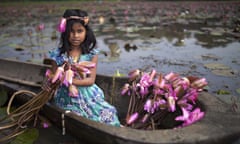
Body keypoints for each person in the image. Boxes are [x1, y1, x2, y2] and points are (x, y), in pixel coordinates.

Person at [48, 9, 120, 126]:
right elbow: (52, 77)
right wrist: (58, 81)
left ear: (86, 32)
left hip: (88, 94)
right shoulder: (57, 55)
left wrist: (68, 81)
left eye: (80, 31)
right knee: (77, 118)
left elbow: (90, 80)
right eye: (71, 32)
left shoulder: (91, 54)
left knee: (109, 113)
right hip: (65, 96)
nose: (75, 36)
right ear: (65, 32)